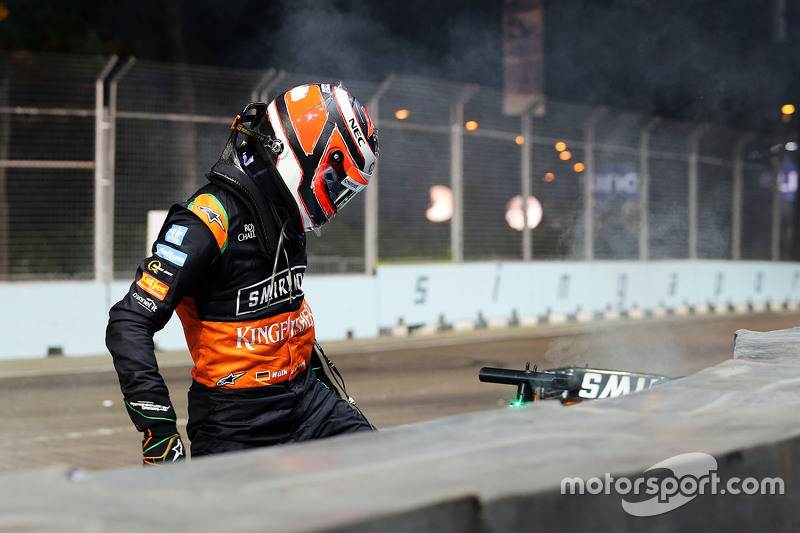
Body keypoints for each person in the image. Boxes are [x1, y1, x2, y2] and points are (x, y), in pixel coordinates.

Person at [106, 82, 378, 465]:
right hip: (235, 420)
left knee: (389, 472)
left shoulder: (287, 211)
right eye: (336, 185)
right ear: (306, 155)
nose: (334, 202)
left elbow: (284, 310)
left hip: (306, 398)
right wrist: (159, 434)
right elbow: (128, 322)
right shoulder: (205, 221)